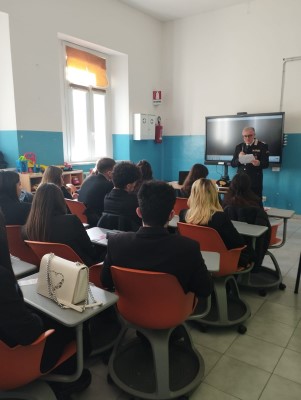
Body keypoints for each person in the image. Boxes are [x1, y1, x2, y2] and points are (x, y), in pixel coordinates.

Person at [0, 210, 91, 398]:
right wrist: (39, 317)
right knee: (68, 323)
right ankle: (71, 375)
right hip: (15, 361)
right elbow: (29, 333)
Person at [102, 180, 213, 297]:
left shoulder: (116, 242)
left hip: (128, 309)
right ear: (171, 215)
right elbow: (204, 290)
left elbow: (106, 281)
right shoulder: (189, 247)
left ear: (139, 212)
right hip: (173, 311)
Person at [179, 178, 254, 268]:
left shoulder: (184, 215)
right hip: (221, 263)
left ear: (193, 194)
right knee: (249, 248)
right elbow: (238, 243)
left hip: (194, 260)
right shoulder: (220, 217)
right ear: (214, 194)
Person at [22, 183, 103, 266]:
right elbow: (91, 252)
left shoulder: (28, 227)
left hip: (50, 270)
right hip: (81, 269)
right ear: (59, 200)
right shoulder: (71, 221)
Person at [222, 173, 271, 268]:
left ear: (232, 185)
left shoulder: (226, 203)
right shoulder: (256, 202)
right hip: (252, 245)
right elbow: (265, 228)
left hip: (230, 248)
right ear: (249, 185)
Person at [97, 161, 142, 231]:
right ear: (129, 186)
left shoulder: (107, 198)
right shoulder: (134, 201)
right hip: (130, 238)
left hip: (111, 237)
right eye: (134, 184)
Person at [231, 126, 269, 198]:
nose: (247, 138)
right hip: (240, 181)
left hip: (254, 181)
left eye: (250, 136)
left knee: (255, 203)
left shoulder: (262, 146)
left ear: (254, 135)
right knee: (240, 203)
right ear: (243, 136)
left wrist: (258, 163)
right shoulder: (239, 147)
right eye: (245, 136)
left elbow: (266, 164)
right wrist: (239, 159)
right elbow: (232, 164)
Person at [78, 158, 116, 227]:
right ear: (109, 172)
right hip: (96, 220)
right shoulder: (108, 184)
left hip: (84, 217)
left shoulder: (88, 179)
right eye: (115, 171)